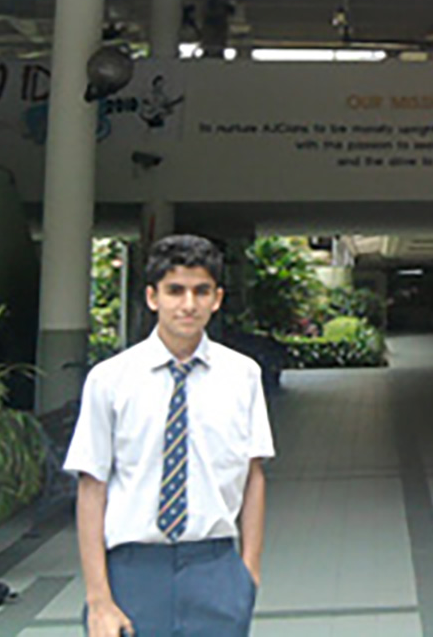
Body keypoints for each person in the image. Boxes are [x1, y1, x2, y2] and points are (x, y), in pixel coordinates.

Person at [65, 234, 275, 637]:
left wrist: (247, 573)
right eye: (175, 291)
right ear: (152, 297)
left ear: (216, 298)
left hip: (215, 567)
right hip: (133, 569)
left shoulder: (242, 375)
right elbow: (92, 487)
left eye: (201, 291)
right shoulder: (110, 380)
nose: (188, 304)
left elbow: (254, 476)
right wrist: (99, 599)